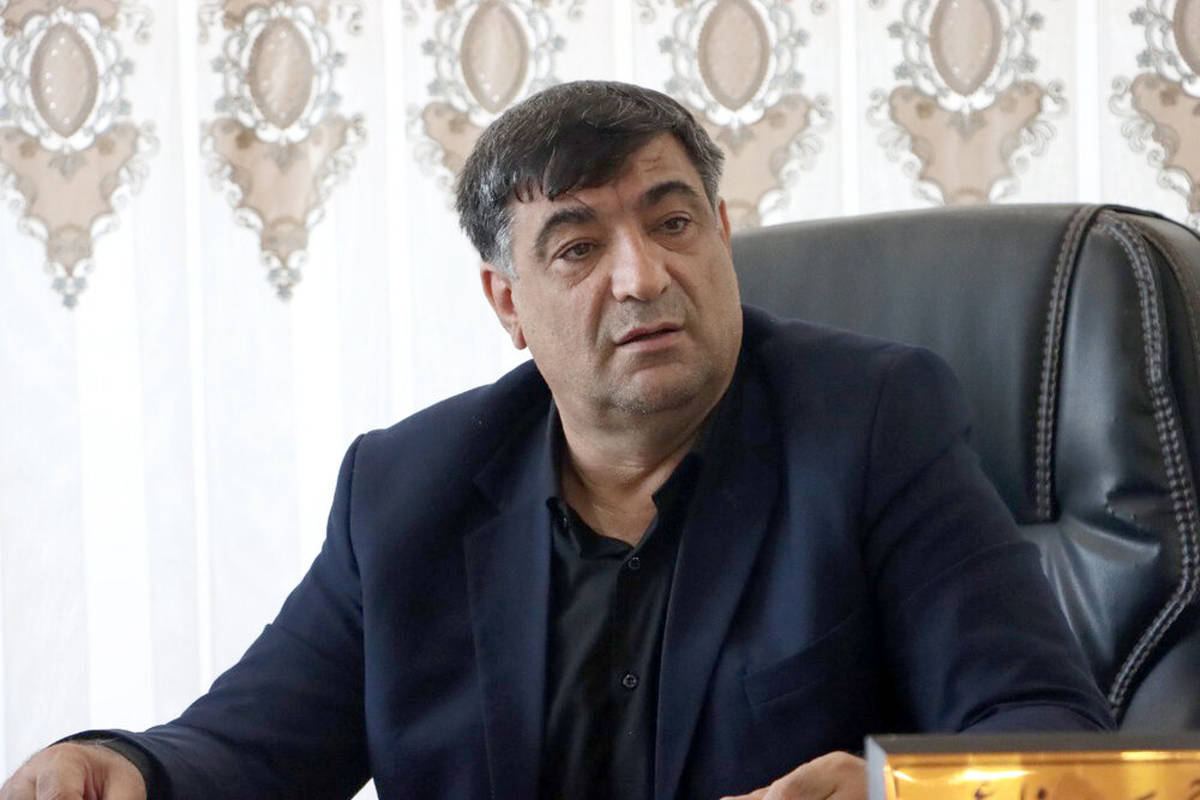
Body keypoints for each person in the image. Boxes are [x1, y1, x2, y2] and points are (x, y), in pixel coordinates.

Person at [1, 80, 1112, 800]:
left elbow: (1047, 731)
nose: (642, 275)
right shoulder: (406, 488)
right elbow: (254, 745)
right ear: (509, 305)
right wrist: (124, 766)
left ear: (721, 236)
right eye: (578, 248)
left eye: (672, 222)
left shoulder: (872, 424)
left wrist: (885, 789)